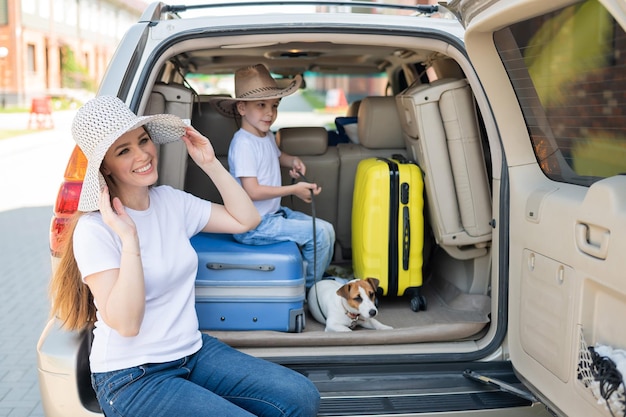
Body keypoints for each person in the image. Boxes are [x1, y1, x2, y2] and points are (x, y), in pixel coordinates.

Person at [48, 95, 320, 417]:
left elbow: (247, 220)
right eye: (124, 150)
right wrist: (130, 237)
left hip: (191, 351)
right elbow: (127, 323)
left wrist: (210, 163)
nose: (143, 154)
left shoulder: (170, 202)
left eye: (143, 140)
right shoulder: (95, 230)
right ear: (105, 166)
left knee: (302, 396)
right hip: (133, 377)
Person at [213, 64, 336, 289]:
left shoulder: (265, 134)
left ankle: (313, 281)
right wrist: (294, 190)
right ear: (241, 108)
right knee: (320, 234)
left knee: (326, 229)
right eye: (261, 105)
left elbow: (277, 155)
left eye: (274, 105)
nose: (270, 112)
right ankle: (310, 289)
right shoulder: (243, 144)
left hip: (272, 215)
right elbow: (253, 191)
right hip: (253, 226)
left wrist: (292, 161)